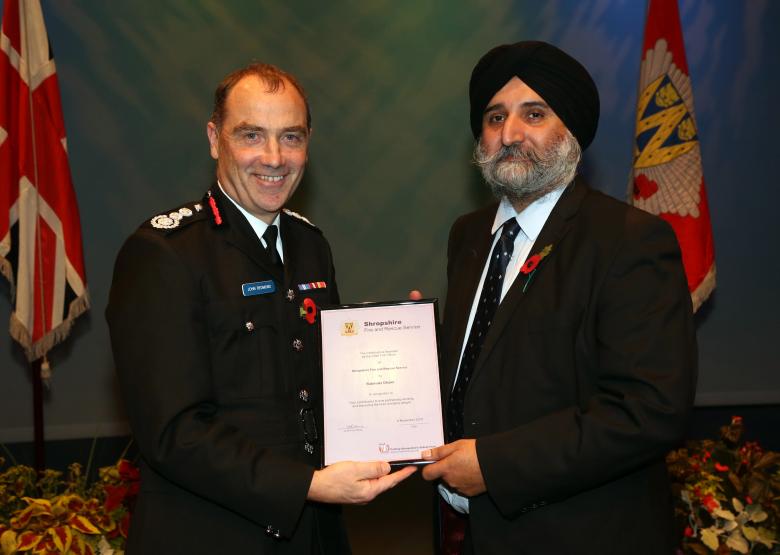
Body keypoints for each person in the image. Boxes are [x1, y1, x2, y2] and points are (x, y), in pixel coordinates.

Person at [106, 62, 414, 554]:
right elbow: (173, 432)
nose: (274, 157)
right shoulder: (165, 254)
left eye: (291, 138)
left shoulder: (311, 244)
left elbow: (324, 387)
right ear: (215, 138)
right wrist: (305, 486)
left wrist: (401, 353)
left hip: (314, 534)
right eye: (252, 135)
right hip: (210, 535)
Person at [421, 41, 697, 554]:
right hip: (471, 534)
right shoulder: (469, 235)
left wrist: (495, 466)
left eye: (534, 114)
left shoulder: (629, 240)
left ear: (571, 130)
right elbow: (488, 363)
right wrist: (412, 356)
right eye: (495, 116)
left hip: (583, 534)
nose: (510, 134)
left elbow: (649, 410)